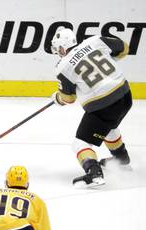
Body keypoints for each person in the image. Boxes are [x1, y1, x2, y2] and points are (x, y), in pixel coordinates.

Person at [50, 28, 132, 187]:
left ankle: (94, 173)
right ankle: (122, 159)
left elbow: (69, 98)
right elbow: (124, 48)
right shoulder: (95, 41)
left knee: (80, 143)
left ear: (62, 47)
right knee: (108, 126)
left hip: (104, 106)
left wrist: (58, 98)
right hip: (125, 95)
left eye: (58, 49)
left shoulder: (63, 66)